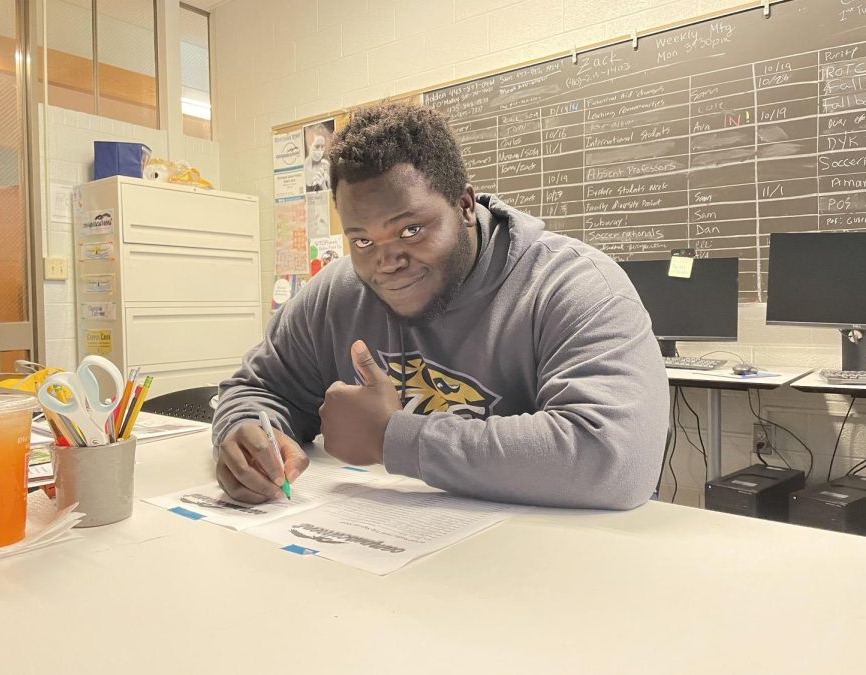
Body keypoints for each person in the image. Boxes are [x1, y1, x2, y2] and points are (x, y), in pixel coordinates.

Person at [212, 102, 669, 509]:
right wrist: (246, 432)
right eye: (363, 240)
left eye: (410, 229)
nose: (386, 262)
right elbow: (259, 388)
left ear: (465, 205)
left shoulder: (573, 286)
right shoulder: (337, 293)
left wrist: (391, 439)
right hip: (377, 559)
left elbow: (616, 460)